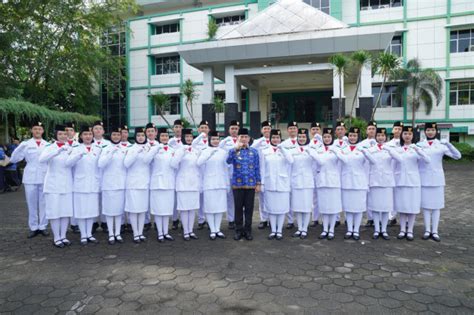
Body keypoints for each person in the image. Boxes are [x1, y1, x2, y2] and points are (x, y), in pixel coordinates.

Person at [417, 122, 461, 242]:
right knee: (426, 206)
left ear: (436, 131)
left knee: (436, 207)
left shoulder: (441, 145)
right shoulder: (419, 145)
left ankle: (435, 231)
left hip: (437, 179)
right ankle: (427, 230)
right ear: (424, 131)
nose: (430, 132)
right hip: (424, 179)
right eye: (428, 130)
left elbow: (457, 156)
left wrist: (449, 144)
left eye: (432, 130)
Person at [9, 121, 49, 238]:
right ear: (32, 130)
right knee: (31, 203)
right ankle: (33, 227)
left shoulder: (47, 145)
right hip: (30, 177)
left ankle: (43, 226)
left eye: (40, 129)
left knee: (43, 203)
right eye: (35, 129)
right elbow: (14, 159)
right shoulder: (26, 144)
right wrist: (18, 147)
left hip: (44, 176)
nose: (37, 131)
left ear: (43, 131)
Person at [39, 125, 74, 248]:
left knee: (65, 212)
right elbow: (41, 159)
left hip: (67, 184)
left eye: (65, 134)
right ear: (56, 135)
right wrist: (57, 151)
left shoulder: (71, 147)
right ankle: (56, 237)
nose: (63, 136)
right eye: (60, 134)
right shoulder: (49, 147)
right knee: (54, 212)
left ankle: (63, 236)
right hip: (53, 185)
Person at [361, 128, 399, 240]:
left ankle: (384, 230)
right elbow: (369, 165)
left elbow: (399, 159)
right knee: (376, 207)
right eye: (378, 136)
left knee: (386, 207)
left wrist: (389, 149)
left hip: (387, 182)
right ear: (375, 137)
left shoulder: (391, 149)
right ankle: (377, 229)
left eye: (383, 136)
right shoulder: (371, 149)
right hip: (375, 181)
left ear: (386, 137)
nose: (381, 138)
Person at [332, 127, 369, 241]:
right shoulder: (342, 149)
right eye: (351, 136)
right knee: (348, 208)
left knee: (358, 208)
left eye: (355, 136)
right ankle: (349, 229)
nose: (353, 138)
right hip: (347, 182)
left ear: (358, 137)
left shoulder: (363, 149)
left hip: (359, 183)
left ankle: (356, 230)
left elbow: (368, 164)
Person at [393, 126, 430, 241]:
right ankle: (402, 229)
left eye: (409, 134)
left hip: (413, 182)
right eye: (405, 133)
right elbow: (394, 167)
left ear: (413, 136)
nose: (407, 136)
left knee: (412, 207)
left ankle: (410, 230)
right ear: (401, 135)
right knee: (402, 207)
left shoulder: (417, 149)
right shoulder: (397, 149)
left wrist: (418, 150)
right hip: (400, 182)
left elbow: (427, 160)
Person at [66, 126, 100, 245]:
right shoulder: (76, 148)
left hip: (93, 184)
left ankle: (89, 234)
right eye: (85, 134)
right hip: (80, 184)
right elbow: (68, 163)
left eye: (90, 134)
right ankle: (83, 235)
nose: (88, 136)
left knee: (91, 210)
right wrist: (78, 156)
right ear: (81, 136)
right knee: (81, 210)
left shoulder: (98, 148)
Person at [124, 127, 158, 244]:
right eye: (138, 136)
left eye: (142, 135)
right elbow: (126, 163)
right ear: (135, 137)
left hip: (145, 182)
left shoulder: (149, 148)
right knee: (134, 210)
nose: (140, 137)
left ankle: (141, 233)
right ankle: (135, 233)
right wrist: (136, 152)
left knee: (142, 209)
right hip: (133, 183)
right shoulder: (131, 148)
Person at [226, 128, 261, 241]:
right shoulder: (233, 150)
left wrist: (258, 183)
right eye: (242, 137)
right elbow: (228, 161)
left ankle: (248, 230)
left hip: (250, 184)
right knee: (238, 208)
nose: (244, 139)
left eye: (246, 137)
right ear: (238, 138)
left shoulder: (254, 152)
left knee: (249, 209)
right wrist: (236, 149)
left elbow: (257, 168)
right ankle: (238, 230)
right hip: (238, 184)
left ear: (249, 139)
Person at [307, 128, 342, 240]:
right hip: (322, 181)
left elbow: (321, 161)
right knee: (324, 207)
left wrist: (312, 152)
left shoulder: (336, 149)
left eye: (329, 137)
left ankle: (331, 230)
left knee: (332, 207)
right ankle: (325, 229)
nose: (327, 139)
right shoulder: (319, 149)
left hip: (333, 182)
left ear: (332, 138)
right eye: (325, 137)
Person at [260, 129, 294, 240]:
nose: (275, 140)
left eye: (277, 138)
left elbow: (291, 161)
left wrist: (283, 149)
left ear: (280, 139)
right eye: (273, 138)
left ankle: (279, 230)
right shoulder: (265, 151)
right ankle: (273, 230)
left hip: (282, 184)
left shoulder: (285, 150)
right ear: (270, 139)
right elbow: (262, 169)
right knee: (271, 209)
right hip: (269, 183)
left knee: (281, 209)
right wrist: (262, 183)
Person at [98, 126, 128, 245]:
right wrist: (110, 153)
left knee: (119, 210)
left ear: (121, 136)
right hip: (109, 184)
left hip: (121, 183)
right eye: (114, 135)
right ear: (110, 136)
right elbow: (101, 164)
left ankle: (118, 233)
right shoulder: (106, 148)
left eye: (118, 135)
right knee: (110, 210)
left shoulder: (125, 149)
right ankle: (111, 233)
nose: (116, 137)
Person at [198, 130, 229, 240]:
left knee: (219, 207)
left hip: (220, 182)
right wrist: (208, 154)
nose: (215, 141)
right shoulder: (205, 151)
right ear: (209, 140)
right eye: (213, 139)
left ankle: (218, 229)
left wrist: (227, 183)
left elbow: (226, 168)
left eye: (217, 139)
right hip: (209, 183)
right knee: (210, 207)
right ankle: (212, 229)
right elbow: (199, 163)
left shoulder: (223, 152)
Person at [172, 128, 201, 241]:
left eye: (190, 137)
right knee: (184, 208)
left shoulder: (195, 150)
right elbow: (173, 164)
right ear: (183, 138)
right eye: (187, 137)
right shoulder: (179, 149)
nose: (189, 139)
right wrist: (181, 152)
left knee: (192, 208)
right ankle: (185, 231)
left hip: (194, 182)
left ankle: (191, 230)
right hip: (183, 183)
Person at [150, 127, 177, 242]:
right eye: (162, 136)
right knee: (158, 209)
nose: (164, 138)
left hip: (169, 182)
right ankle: (160, 233)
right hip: (157, 183)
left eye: (166, 136)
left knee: (166, 209)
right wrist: (154, 149)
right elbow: (147, 162)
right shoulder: (153, 149)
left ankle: (166, 232)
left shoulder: (172, 150)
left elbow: (175, 166)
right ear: (158, 137)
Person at [290, 128, 314, 239]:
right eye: (300, 137)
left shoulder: (311, 148)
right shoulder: (292, 149)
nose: (301, 139)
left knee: (306, 207)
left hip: (307, 182)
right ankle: (299, 228)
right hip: (296, 182)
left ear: (307, 138)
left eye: (304, 137)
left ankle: (305, 228)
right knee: (298, 207)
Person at [218, 120, 240, 230]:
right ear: (229, 130)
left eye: (236, 129)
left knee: (240, 199)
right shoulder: (225, 142)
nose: (234, 131)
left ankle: (239, 219)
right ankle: (231, 220)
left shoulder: (243, 140)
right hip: (228, 173)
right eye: (232, 129)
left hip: (240, 174)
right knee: (230, 198)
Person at [251, 121, 272, 229]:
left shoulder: (275, 141)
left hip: (273, 175)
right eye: (265, 129)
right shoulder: (258, 142)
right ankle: (264, 219)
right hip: (261, 174)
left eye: (268, 128)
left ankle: (271, 219)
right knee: (262, 199)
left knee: (272, 198)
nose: (267, 130)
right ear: (261, 130)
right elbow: (251, 149)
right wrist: (261, 140)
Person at [91, 120, 110, 234]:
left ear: (103, 131)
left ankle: (104, 222)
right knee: (93, 200)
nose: (98, 130)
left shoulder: (108, 143)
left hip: (105, 175)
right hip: (92, 176)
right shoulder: (88, 142)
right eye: (95, 128)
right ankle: (93, 222)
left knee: (104, 200)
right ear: (92, 131)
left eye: (100, 129)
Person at [280, 121, 299, 229]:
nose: (292, 130)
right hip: (287, 174)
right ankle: (290, 220)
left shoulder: (302, 142)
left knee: (298, 198)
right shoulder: (284, 144)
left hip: (298, 174)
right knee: (288, 198)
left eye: (294, 128)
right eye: (290, 128)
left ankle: (299, 220)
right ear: (287, 130)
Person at [192, 120, 210, 229]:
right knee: (199, 198)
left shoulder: (211, 140)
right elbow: (193, 144)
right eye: (201, 128)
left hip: (208, 173)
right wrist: (200, 137)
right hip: (198, 172)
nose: (203, 130)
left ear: (209, 130)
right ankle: (201, 219)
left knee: (208, 198)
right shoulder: (196, 142)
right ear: (198, 130)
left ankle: (208, 219)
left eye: (205, 128)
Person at [361, 121, 378, 227]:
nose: (371, 131)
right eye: (370, 129)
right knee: (367, 198)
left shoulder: (381, 144)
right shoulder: (361, 144)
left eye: (373, 129)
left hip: (378, 175)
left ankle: (378, 218)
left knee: (377, 197)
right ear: (367, 131)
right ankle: (370, 218)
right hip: (365, 173)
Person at [64, 122, 80, 234]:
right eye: (66, 130)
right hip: (63, 177)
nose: (68, 132)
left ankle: (74, 223)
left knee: (75, 201)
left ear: (74, 133)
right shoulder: (59, 144)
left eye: (71, 130)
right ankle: (65, 224)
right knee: (65, 202)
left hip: (76, 176)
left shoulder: (79, 144)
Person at [169, 119, 184, 230]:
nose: (178, 129)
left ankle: (184, 220)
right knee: (174, 198)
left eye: (180, 127)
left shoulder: (187, 140)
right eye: (176, 127)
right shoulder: (170, 142)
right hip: (173, 172)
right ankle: (174, 219)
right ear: (173, 129)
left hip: (183, 172)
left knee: (183, 197)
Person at [308, 122, 323, 228]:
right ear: (310, 131)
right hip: (311, 173)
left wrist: (321, 139)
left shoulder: (324, 142)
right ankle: (315, 218)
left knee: (325, 196)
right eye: (313, 129)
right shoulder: (308, 143)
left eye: (317, 129)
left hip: (322, 174)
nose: (315, 131)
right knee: (313, 198)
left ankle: (328, 219)